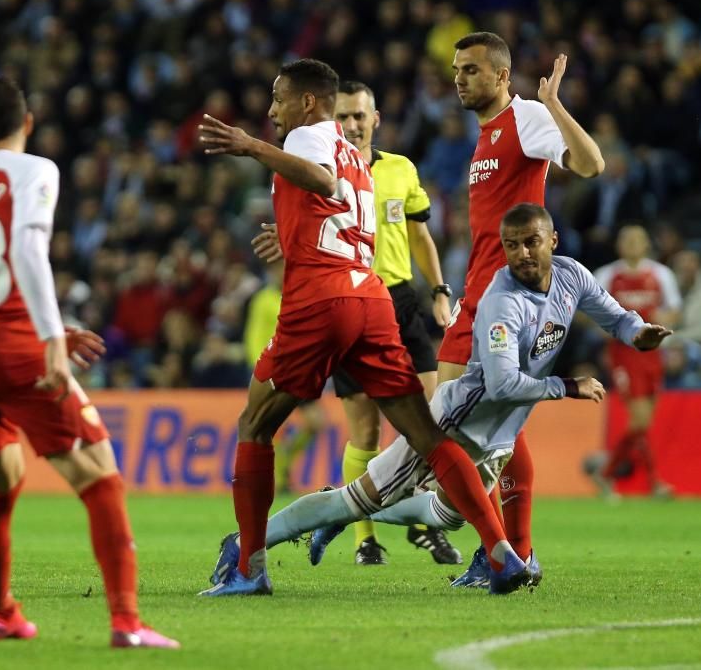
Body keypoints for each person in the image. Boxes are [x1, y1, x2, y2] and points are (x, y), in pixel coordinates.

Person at [208, 205, 672, 591]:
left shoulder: (572, 276)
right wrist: (568, 387)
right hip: (456, 422)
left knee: (445, 516)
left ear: (553, 241)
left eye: (531, 242)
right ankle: (248, 543)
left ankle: (347, 511)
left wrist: (637, 332)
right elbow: (502, 385)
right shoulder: (501, 300)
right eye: (512, 245)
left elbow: (612, 315)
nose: (522, 253)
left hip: (499, 435)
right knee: (356, 500)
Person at [197, 58, 526, 597]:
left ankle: (249, 568)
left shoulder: (308, 139)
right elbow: (342, 218)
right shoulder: (356, 155)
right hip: (369, 297)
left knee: (254, 424)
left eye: (278, 98)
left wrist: (252, 146)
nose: (270, 110)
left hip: (320, 301)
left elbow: (320, 183)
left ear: (307, 103)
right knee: (426, 435)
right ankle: (500, 553)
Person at [0, 76, 178, 649]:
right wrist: (48, 340)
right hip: (16, 347)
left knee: (1, 483)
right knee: (101, 478)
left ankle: (1, 614)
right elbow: (25, 249)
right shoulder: (36, 169)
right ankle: (128, 623)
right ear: (29, 122)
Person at [252, 80, 459, 566]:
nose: (351, 125)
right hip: (355, 301)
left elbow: (420, 234)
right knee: (365, 431)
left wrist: (440, 289)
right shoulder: (324, 166)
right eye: (343, 117)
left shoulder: (400, 170)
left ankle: (423, 522)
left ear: (376, 118)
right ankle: (364, 537)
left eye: (359, 116)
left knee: (430, 420)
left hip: (401, 301)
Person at [441, 32, 606, 584]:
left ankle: (503, 553)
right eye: (457, 69)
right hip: (478, 298)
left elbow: (590, 164)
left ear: (502, 76)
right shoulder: (486, 136)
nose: (459, 78)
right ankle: (509, 552)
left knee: (449, 431)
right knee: (491, 432)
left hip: (504, 304)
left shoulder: (527, 118)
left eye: (470, 69)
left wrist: (555, 106)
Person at [585, 226, 681, 498]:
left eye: (637, 239)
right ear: (618, 244)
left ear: (646, 244)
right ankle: (650, 482)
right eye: (626, 238)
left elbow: (674, 310)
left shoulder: (661, 274)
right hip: (623, 355)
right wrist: (609, 331)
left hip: (653, 355)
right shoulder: (606, 274)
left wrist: (658, 328)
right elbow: (586, 310)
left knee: (643, 423)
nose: (631, 243)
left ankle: (610, 477)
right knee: (639, 419)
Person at [242, 259, 327, 494]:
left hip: (300, 369)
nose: (283, 273)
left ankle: (283, 464)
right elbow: (254, 336)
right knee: (269, 425)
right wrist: (259, 369)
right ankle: (274, 478)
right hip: (273, 369)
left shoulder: (299, 297)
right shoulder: (264, 300)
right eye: (278, 268)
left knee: (316, 423)